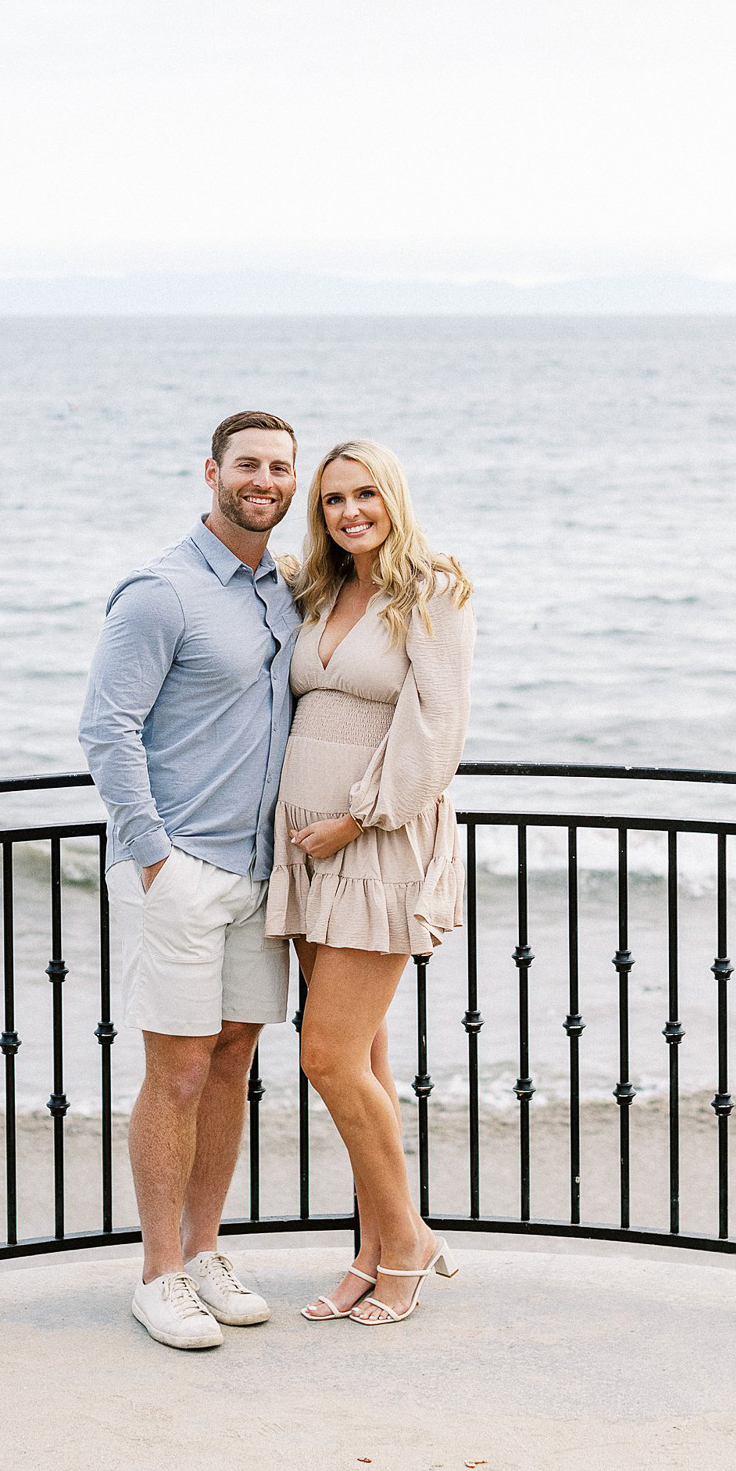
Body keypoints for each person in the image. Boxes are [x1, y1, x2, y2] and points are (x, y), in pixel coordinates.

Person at [79, 410, 300, 1350]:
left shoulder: (285, 588)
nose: (264, 479)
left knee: (233, 1060)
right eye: (247, 464)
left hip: (258, 872)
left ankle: (204, 1251)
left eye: (280, 467)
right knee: (173, 1071)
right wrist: (152, 857)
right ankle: (157, 1275)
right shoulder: (159, 593)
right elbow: (106, 728)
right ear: (211, 472)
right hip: (181, 871)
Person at [265, 439, 475, 1327]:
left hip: (372, 842)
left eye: (363, 495)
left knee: (327, 1058)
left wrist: (357, 817)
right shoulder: (318, 588)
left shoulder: (430, 589)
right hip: (308, 852)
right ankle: (372, 1249)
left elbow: (437, 730)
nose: (349, 511)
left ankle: (409, 1244)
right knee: (367, 1065)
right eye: (331, 500)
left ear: (390, 497)